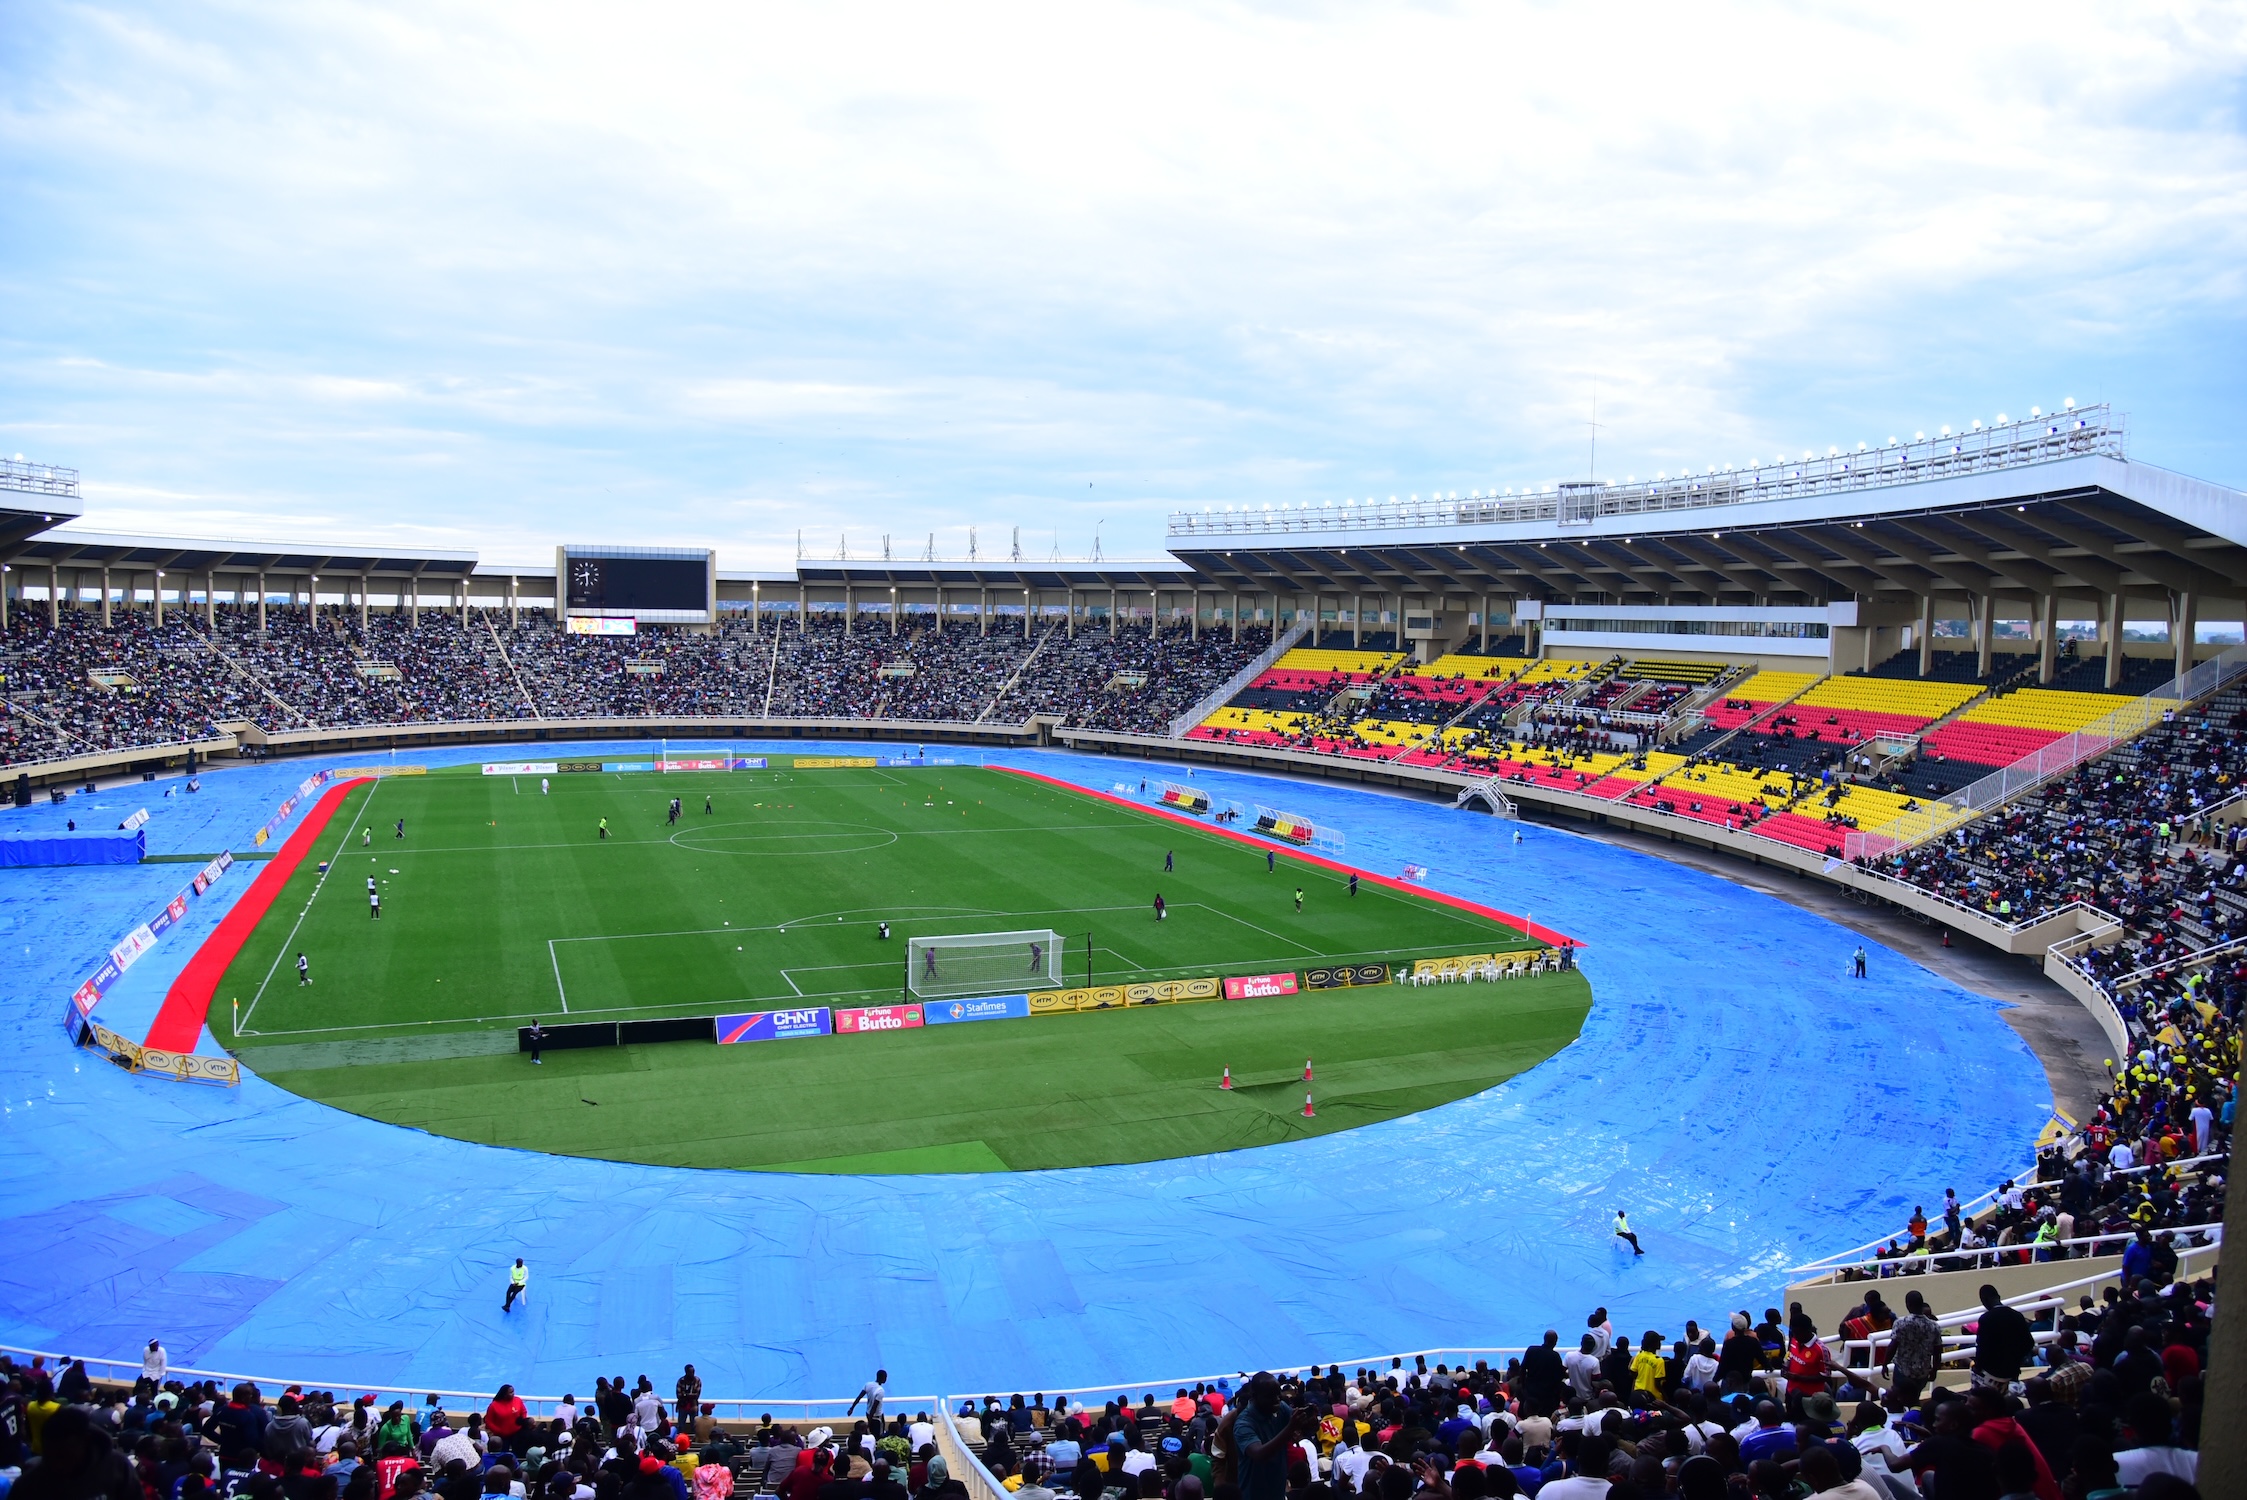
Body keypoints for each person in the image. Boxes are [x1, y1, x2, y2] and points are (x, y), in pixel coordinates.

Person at [1231, 1373, 1309, 1500]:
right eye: (1270, 1396)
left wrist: (1308, 1420)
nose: (1277, 1399)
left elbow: (1299, 1427)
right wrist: (1290, 1428)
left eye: (1278, 1394)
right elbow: (1258, 1453)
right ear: (1255, 1396)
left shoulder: (1280, 1408)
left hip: (1277, 1493)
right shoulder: (1243, 1424)